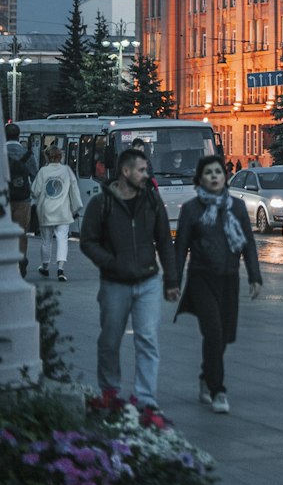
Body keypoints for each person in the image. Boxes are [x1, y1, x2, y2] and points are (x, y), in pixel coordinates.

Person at [79, 147, 179, 410]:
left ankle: (145, 399)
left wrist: (171, 280)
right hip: (114, 284)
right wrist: (112, 263)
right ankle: (110, 391)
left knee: (147, 339)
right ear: (126, 172)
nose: (146, 175)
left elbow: (164, 242)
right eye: (141, 170)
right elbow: (88, 242)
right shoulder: (102, 203)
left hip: (148, 281)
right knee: (110, 339)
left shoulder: (151, 201)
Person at [174, 156, 261, 415]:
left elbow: (248, 244)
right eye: (208, 173)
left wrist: (255, 276)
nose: (214, 177)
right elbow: (181, 248)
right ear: (200, 178)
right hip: (201, 277)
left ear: (225, 177)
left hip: (229, 277)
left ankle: (205, 374)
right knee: (213, 331)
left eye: (218, 172)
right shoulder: (191, 209)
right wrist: (173, 281)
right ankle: (218, 390)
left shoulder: (235, 206)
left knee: (223, 335)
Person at [31, 144, 82, 282]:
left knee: (46, 241)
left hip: (46, 211)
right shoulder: (66, 171)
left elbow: (35, 191)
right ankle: (60, 269)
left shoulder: (43, 171)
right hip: (63, 211)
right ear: (61, 157)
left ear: (47, 157)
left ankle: (45, 266)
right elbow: (74, 191)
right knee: (62, 239)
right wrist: (76, 208)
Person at [5, 120, 37, 279]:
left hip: (2, 199)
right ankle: (21, 262)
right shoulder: (27, 154)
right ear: (18, 136)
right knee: (21, 233)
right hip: (23, 200)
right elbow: (34, 175)